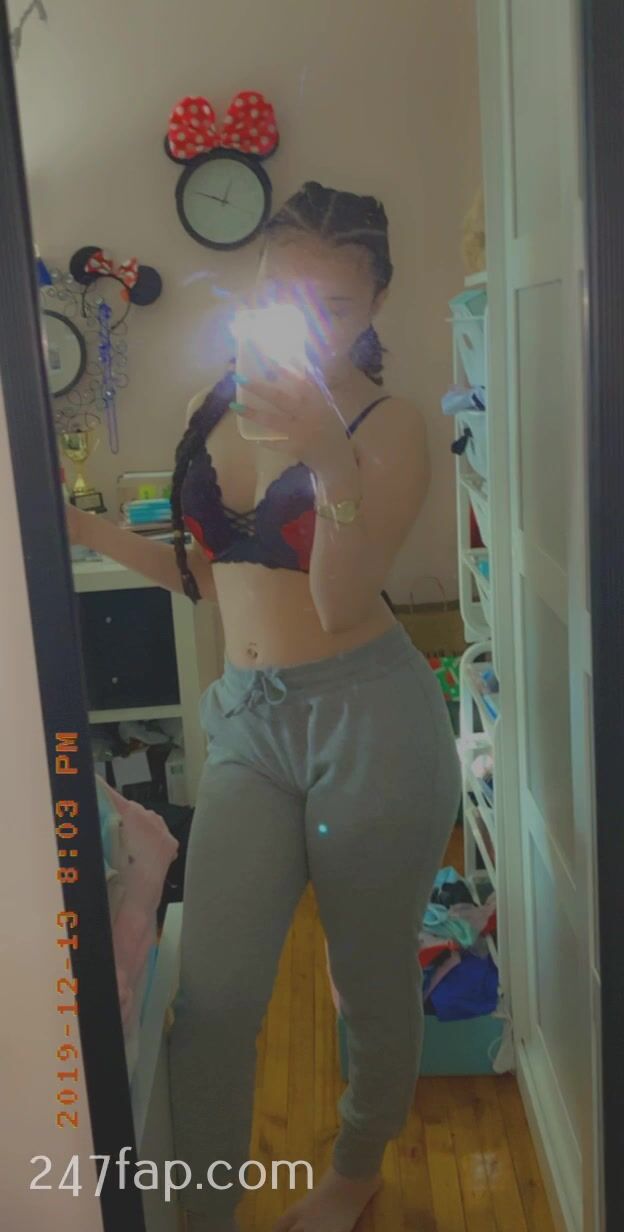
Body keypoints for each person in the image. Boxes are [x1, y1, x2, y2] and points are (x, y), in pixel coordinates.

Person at [66, 182, 462, 1232]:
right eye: (290, 294)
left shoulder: (389, 424)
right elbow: (209, 575)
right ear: (255, 285)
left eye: (338, 303)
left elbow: (338, 603)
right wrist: (76, 526)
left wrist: (328, 459)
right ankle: (205, 1214)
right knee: (214, 998)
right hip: (247, 720)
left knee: (369, 980)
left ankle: (355, 1173)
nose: (313, 321)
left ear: (376, 302)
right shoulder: (215, 404)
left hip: (370, 723)